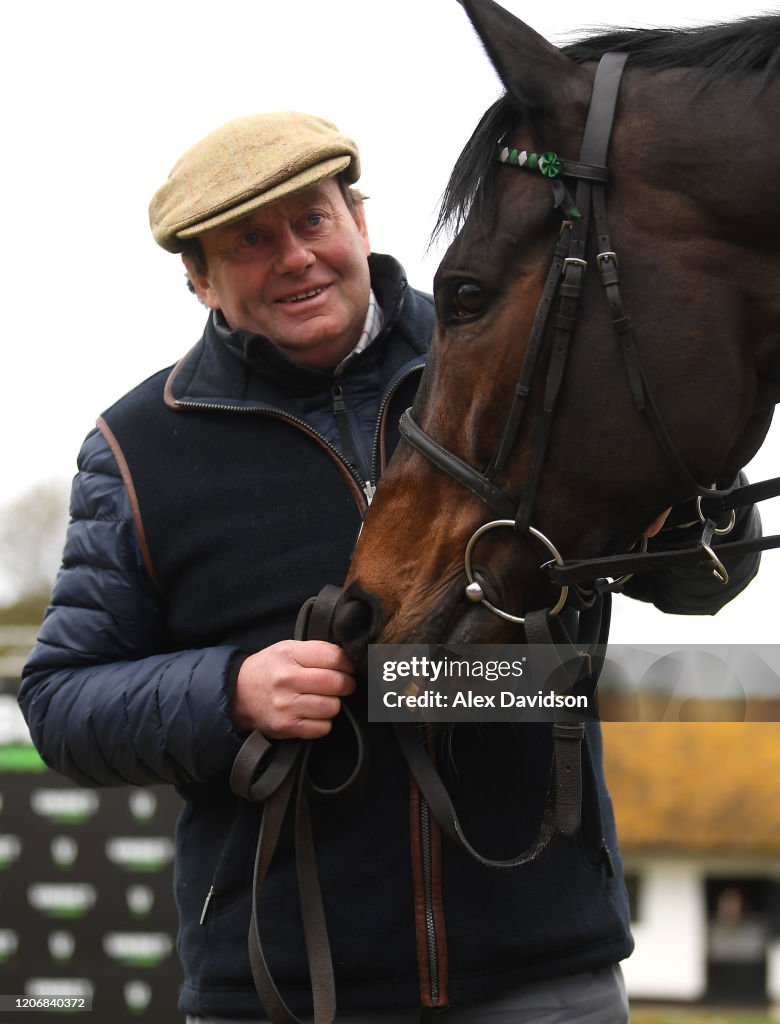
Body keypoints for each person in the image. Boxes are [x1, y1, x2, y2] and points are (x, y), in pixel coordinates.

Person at [19, 110, 761, 1024]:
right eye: (251, 240)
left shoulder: (525, 363)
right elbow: (60, 701)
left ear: (361, 224)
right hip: (282, 991)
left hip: (547, 973)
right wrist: (229, 692)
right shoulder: (136, 446)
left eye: (313, 219)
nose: (295, 256)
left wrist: (680, 522)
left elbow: (706, 582)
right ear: (199, 280)